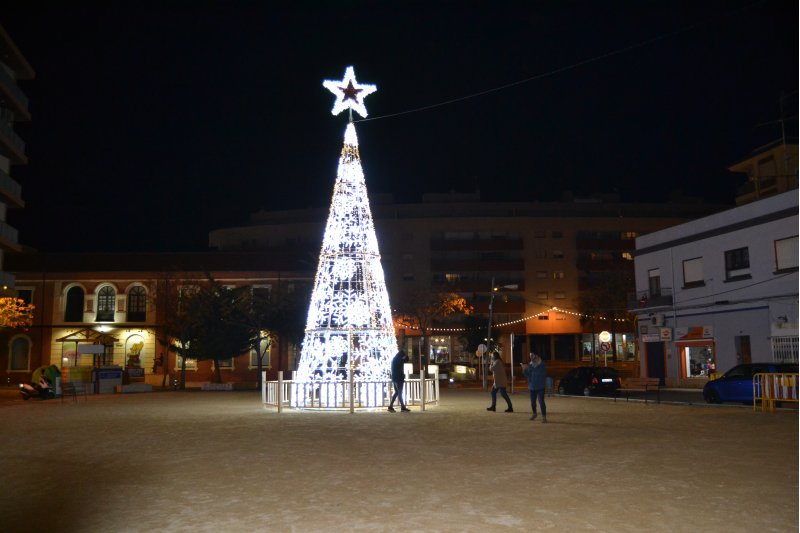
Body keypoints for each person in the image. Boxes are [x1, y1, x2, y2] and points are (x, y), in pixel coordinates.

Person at [523, 352, 547, 423]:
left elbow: (540, 373)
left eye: (532, 356)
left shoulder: (542, 364)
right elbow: (527, 375)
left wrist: (530, 368)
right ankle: (534, 413)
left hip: (540, 386)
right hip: (532, 387)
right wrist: (524, 370)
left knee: (541, 401)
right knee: (533, 402)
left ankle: (544, 417)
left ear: (536, 355)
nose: (531, 357)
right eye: (530, 356)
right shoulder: (530, 365)